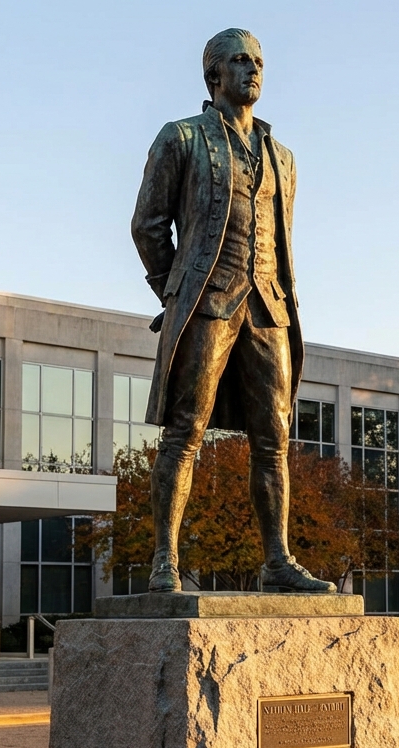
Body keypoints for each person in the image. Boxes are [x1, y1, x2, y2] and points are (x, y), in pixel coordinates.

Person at [130, 28, 334, 594]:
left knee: (275, 439)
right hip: (207, 300)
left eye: (259, 61)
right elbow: (147, 226)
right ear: (213, 75)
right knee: (184, 432)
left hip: (269, 307)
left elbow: (284, 239)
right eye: (240, 61)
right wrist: (173, 291)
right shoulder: (181, 137)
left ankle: (277, 561)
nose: (254, 69)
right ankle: (165, 561)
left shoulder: (284, 158)